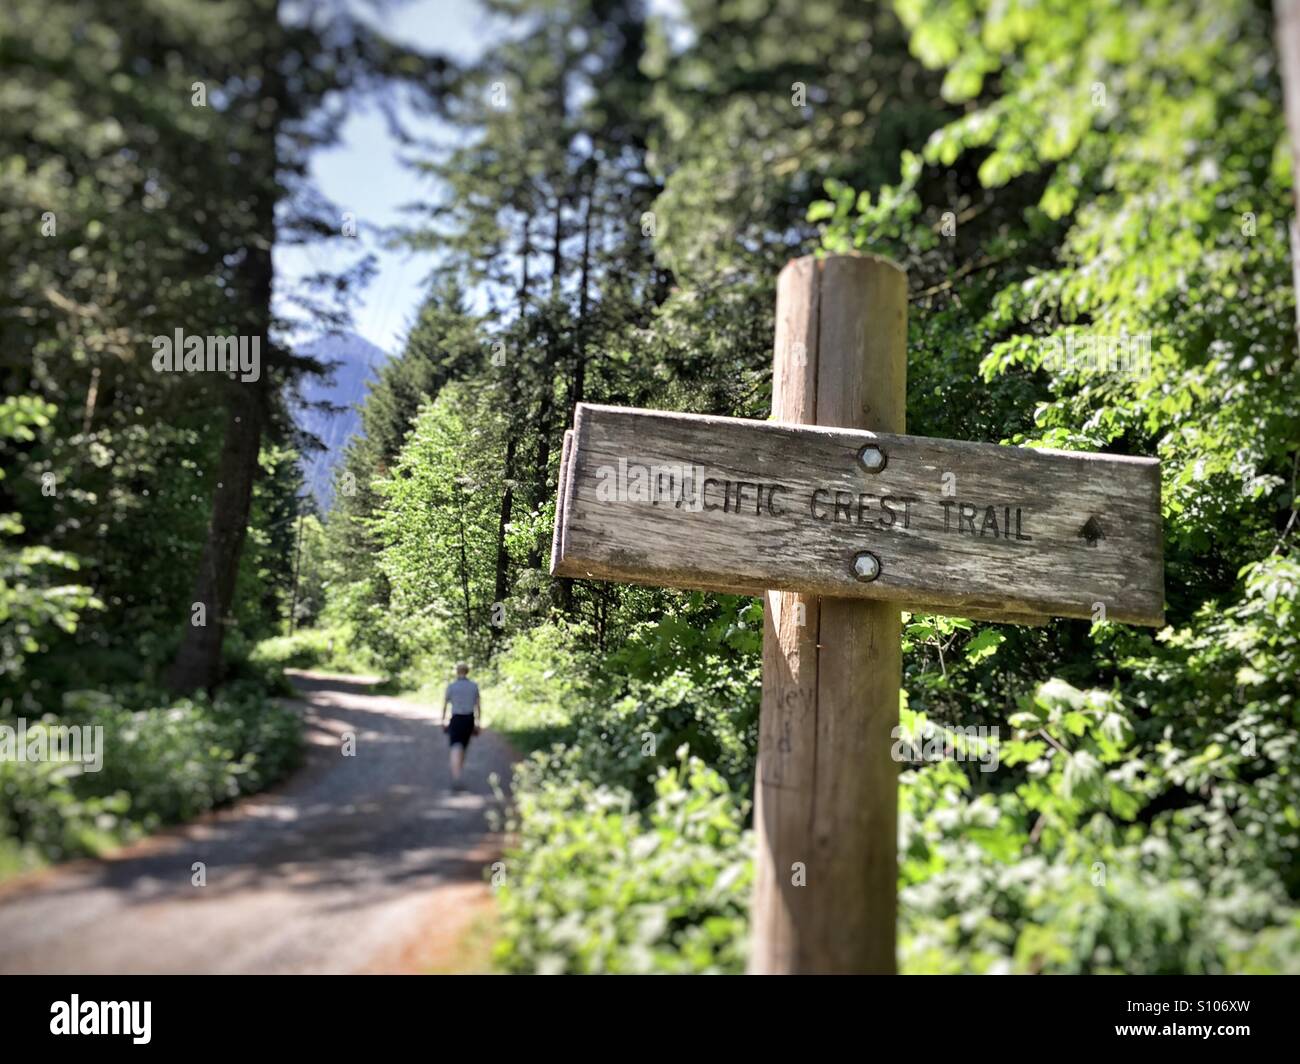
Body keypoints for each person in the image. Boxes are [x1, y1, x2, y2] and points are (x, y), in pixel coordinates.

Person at [441, 662, 480, 791]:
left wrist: (443, 721)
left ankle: (456, 776)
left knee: (455, 747)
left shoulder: (451, 687)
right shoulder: (474, 686)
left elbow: (445, 705)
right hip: (469, 719)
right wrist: (478, 723)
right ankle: (458, 772)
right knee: (463, 747)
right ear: (467, 671)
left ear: (457, 672)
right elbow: (478, 706)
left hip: (456, 718)